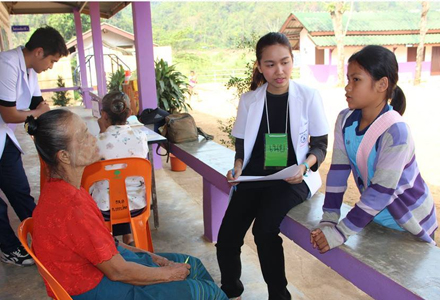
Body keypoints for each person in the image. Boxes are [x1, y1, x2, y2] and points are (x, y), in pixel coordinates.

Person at [25, 109, 228, 300]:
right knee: (204, 290)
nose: (93, 139)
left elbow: (107, 245)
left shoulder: (65, 189)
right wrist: (168, 274)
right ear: (64, 156)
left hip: (104, 269)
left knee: (193, 265)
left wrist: (150, 256)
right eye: (84, 137)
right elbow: (118, 271)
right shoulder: (71, 207)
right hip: (98, 288)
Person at [217, 32, 329, 300]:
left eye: (285, 62)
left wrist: (304, 167)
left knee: (264, 231)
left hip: (291, 179)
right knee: (227, 238)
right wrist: (238, 169)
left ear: (292, 61)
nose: (279, 71)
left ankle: (279, 296)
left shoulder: (308, 96)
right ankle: (231, 291)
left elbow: (321, 145)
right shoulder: (250, 100)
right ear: (259, 66)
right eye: (270, 64)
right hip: (254, 178)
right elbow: (242, 148)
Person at [311, 45, 438, 254]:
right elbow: (338, 173)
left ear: (382, 84)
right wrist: (328, 220)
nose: (347, 87)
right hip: (374, 218)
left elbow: (380, 192)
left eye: (356, 80)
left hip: (409, 223)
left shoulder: (396, 133)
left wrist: (340, 232)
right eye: (348, 79)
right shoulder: (345, 120)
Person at [0, 26, 68, 266]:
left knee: (19, 190)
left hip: (4, 139)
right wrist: (37, 113)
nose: (51, 66)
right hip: (4, 128)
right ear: (39, 52)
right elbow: (9, 113)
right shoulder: (6, 64)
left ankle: (44, 239)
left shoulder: (30, 71)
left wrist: (52, 129)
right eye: (52, 60)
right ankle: (9, 249)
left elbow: (38, 104)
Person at [91, 91, 149, 246]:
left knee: (105, 189)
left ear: (103, 115)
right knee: (124, 185)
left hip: (105, 209)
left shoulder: (96, 141)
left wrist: (102, 131)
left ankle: (113, 240)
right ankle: (128, 236)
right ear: (130, 113)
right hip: (138, 206)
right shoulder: (141, 137)